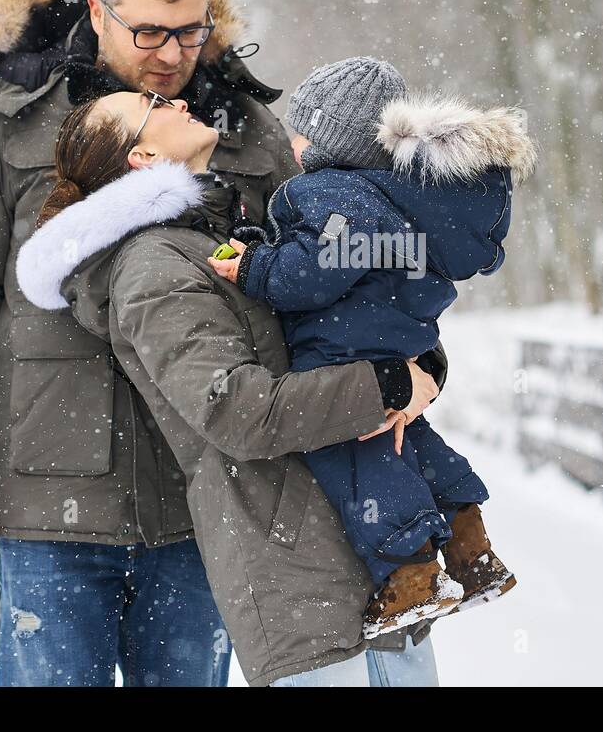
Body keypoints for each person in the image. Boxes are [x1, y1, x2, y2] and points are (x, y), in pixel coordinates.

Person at [0, 0, 444, 685]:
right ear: (98, 14)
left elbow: (324, 274)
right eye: (149, 32)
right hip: (53, 501)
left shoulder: (244, 130)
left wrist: (407, 352)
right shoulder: (11, 120)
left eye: (190, 32)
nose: (170, 53)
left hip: (208, 505)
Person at [14, 87, 441, 685]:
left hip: (367, 542)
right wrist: (389, 385)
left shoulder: (223, 232)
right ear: (140, 156)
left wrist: (421, 366)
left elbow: (337, 329)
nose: (175, 100)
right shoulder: (153, 264)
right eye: (152, 104)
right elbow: (237, 411)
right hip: (296, 565)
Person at [209, 57, 536, 637]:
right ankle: (471, 547)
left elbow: (309, 274)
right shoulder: (397, 198)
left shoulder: (332, 194)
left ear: (333, 139)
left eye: (302, 129)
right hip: (394, 341)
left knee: (357, 455)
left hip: (344, 351)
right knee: (414, 441)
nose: (291, 140)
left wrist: (254, 264)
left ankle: (408, 574)